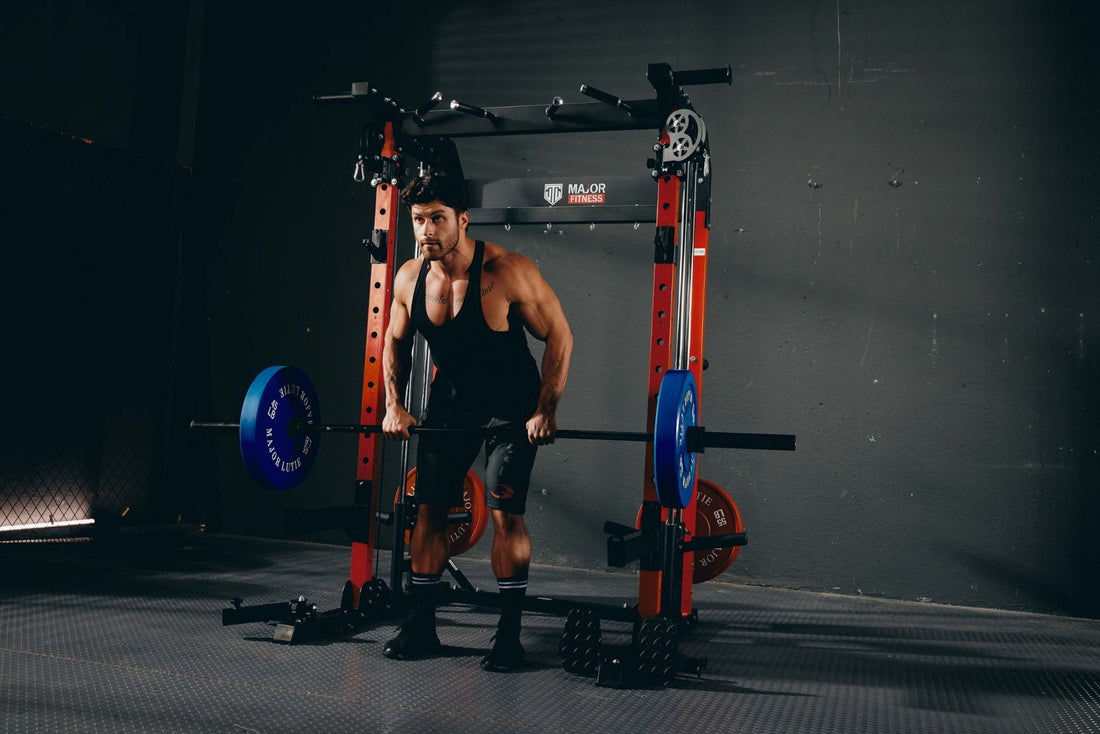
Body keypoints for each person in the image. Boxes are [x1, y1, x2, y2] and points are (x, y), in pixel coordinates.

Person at [381, 170, 573, 672]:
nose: (426, 231)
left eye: (437, 219)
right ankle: (422, 626)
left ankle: (508, 636)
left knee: (504, 510)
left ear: (462, 220)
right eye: (419, 220)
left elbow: (560, 336)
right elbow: (393, 341)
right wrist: (393, 405)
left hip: (512, 406)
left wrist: (544, 410)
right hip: (451, 403)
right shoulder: (408, 277)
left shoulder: (508, 271)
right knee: (428, 510)